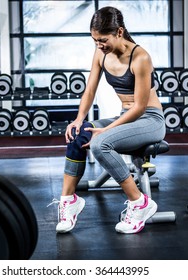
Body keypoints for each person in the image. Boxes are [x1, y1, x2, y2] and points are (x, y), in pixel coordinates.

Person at [51, 6, 166, 234]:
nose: (99, 45)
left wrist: (107, 130)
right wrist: (78, 120)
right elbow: (90, 89)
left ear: (119, 32)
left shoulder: (140, 57)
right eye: (95, 41)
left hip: (149, 120)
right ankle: (69, 200)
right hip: (125, 117)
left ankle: (139, 203)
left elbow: (140, 106)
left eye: (103, 40)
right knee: (79, 135)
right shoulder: (100, 54)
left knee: (99, 143)